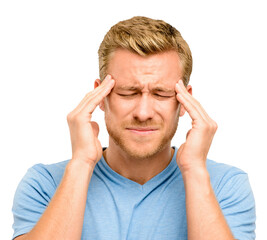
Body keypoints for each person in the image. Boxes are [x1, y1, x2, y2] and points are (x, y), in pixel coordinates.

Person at [12, 16, 256, 240]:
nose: (143, 113)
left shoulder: (226, 185)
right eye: (128, 93)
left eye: (161, 93)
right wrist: (81, 164)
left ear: (184, 101)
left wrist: (194, 170)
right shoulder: (44, 184)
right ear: (101, 97)